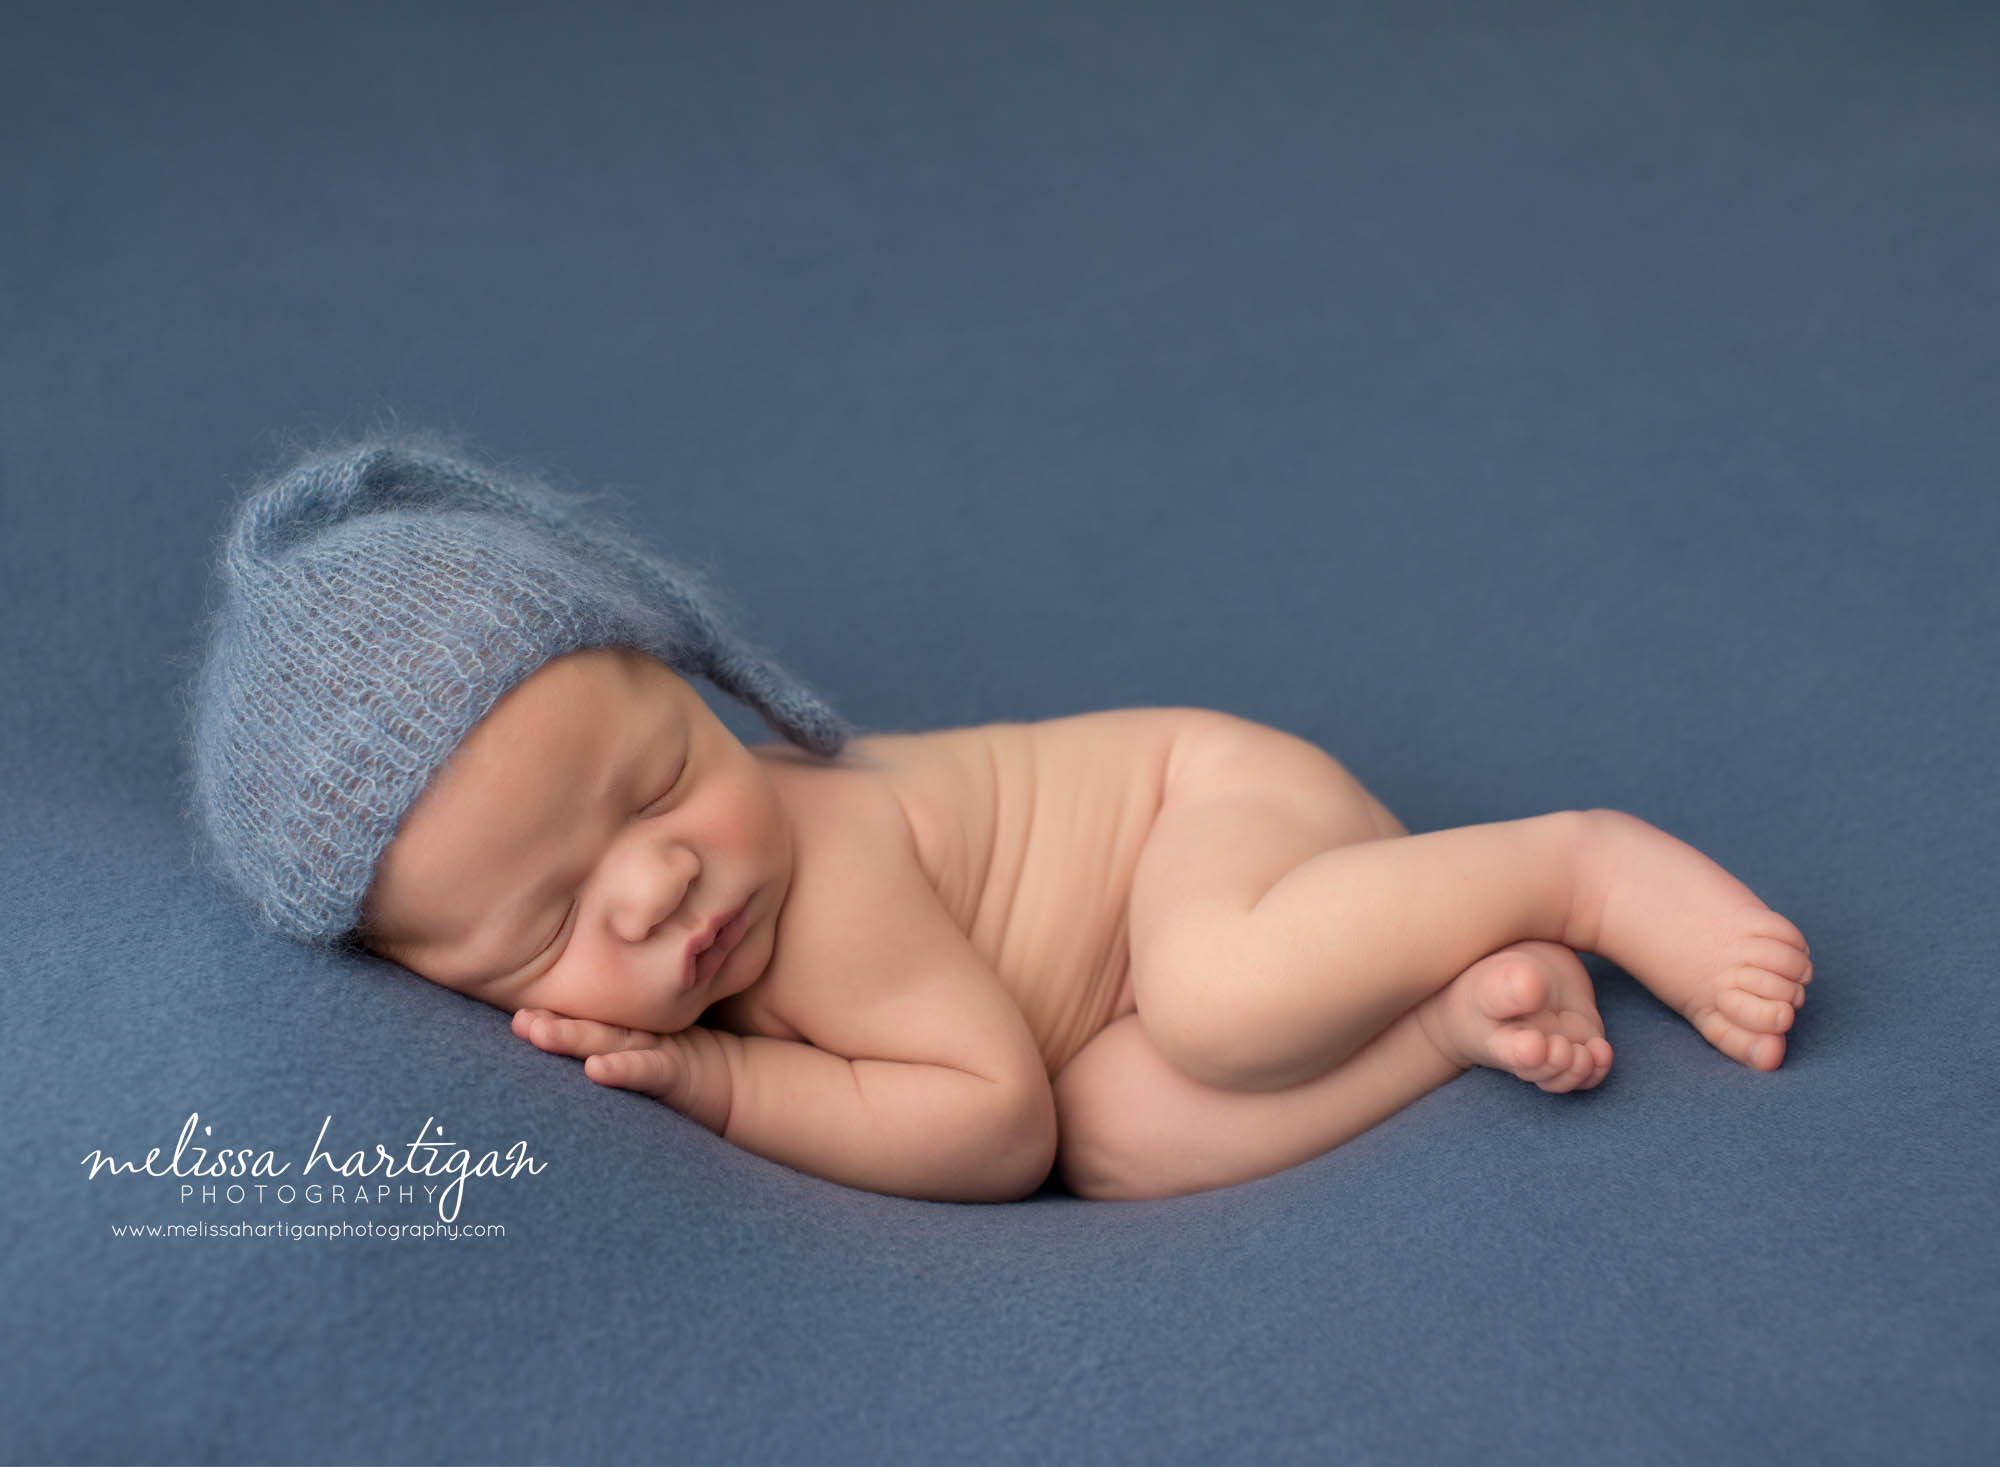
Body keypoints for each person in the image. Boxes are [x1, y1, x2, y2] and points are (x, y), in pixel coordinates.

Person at [187, 433, 1813, 1204]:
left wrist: (730, 1077)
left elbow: (986, 1126)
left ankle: (1580, 864)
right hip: (1087, 994)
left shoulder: (823, 887)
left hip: (1215, 815)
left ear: (708, 685)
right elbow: (1050, 1122)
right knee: (1119, 1140)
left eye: (667, 777)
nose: (659, 880)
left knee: (1210, 1001)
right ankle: (1444, 1019)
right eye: (548, 923)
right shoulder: (700, 895)